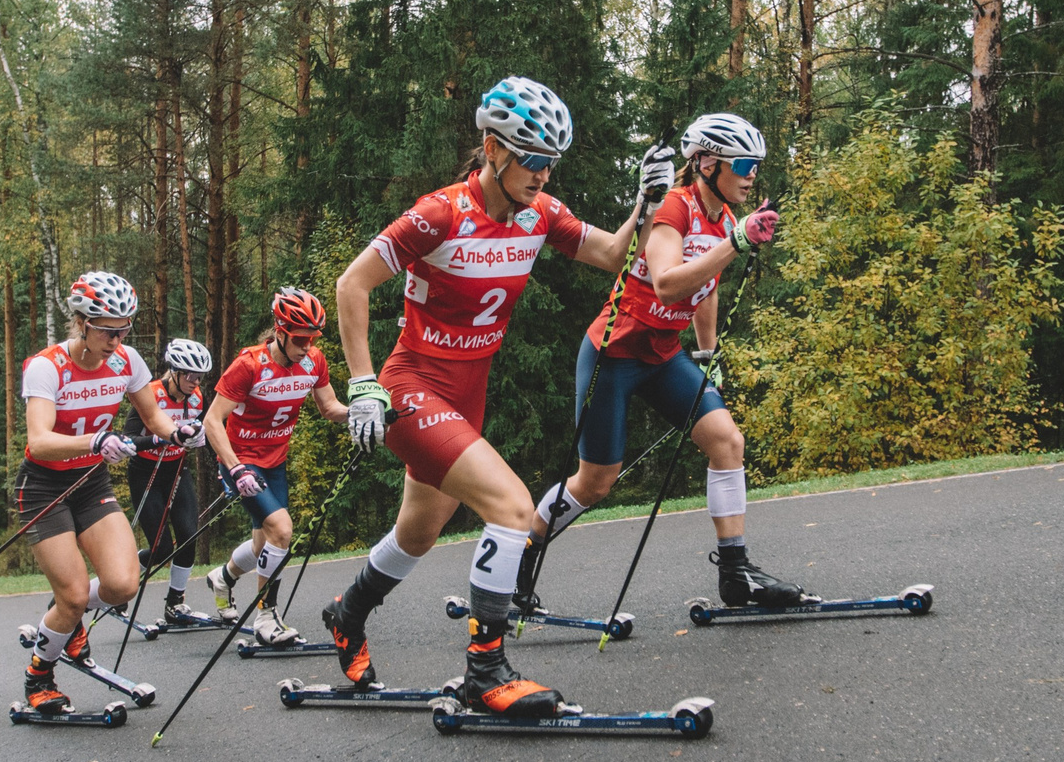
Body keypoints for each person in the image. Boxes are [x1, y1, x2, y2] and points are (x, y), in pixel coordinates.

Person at [323, 76, 649, 716]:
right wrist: (362, 384)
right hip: (412, 385)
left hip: (467, 391)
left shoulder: (540, 214)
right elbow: (351, 285)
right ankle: (485, 668)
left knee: (417, 532)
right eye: (532, 158)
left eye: (551, 161)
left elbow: (613, 255)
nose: (543, 175)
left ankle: (347, 611)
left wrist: (646, 197)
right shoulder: (440, 213)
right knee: (511, 507)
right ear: (493, 148)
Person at [524, 112, 803, 608]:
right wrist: (734, 245)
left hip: (663, 354)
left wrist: (706, 352)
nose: (751, 175)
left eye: (756, 166)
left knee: (727, 441)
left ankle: (736, 574)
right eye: (742, 163)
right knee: (595, 482)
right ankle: (519, 563)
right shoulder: (673, 208)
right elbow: (669, 281)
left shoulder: (724, 220)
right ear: (706, 163)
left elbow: (704, 289)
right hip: (614, 355)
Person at [15, 270, 180, 716]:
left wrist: (181, 431)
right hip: (44, 486)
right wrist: (93, 441)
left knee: (123, 584)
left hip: (90, 483)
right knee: (72, 595)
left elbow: (155, 418)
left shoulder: (127, 362)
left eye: (124, 329)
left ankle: (63, 619)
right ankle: (39, 675)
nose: (117, 339)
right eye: (108, 330)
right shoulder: (47, 366)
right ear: (81, 323)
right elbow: (40, 440)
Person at [199, 287, 351, 644]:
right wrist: (235, 469)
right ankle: (266, 617)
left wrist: (361, 414)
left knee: (261, 547)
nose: (307, 347)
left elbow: (329, 408)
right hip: (241, 462)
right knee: (282, 530)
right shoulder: (249, 365)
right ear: (279, 331)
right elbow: (212, 422)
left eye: (313, 339)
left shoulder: (314, 362)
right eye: (300, 338)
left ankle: (223, 577)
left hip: (275, 461)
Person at [132, 338, 215, 625]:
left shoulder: (196, 398)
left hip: (177, 471)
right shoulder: (151, 394)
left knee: (189, 534)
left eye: (200, 376)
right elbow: (130, 439)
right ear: (174, 371)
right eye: (190, 375)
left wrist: (204, 441)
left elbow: (205, 429)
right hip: (146, 472)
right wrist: (164, 436)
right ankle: (122, 582)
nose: (195, 382)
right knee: (161, 548)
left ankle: (175, 603)